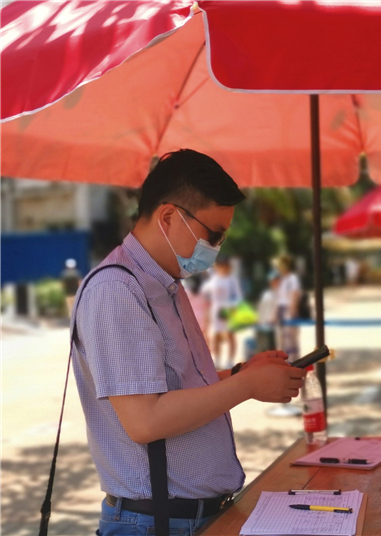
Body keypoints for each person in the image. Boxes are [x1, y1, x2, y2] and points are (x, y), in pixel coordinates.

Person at [71, 149, 306, 535]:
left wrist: (241, 372)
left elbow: (173, 383)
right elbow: (145, 419)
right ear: (168, 216)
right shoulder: (117, 289)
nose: (217, 246)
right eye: (213, 234)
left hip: (188, 517)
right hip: (154, 523)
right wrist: (245, 386)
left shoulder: (164, 283)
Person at [202, 256, 243, 369]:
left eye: (224, 266)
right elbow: (205, 293)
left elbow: (238, 297)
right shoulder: (214, 279)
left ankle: (230, 360)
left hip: (228, 310)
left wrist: (232, 308)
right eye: (219, 266)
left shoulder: (232, 280)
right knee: (216, 336)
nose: (222, 268)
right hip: (216, 310)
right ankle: (217, 359)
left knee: (230, 335)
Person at [275, 254, 302, 362]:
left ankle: (294, 361)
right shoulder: (283, 280)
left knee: (291, 339)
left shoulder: (292, 278)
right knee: (282, 338)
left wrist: (292, 309)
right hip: (281, 309)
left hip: (288, 310)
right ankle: (284, 360)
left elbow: (294, 294)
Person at [182, 274, 210, 345]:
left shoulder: (186, 293)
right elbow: (207, 307)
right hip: (202, 318)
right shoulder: (204, 293)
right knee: (204, 339)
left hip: (190, 319)